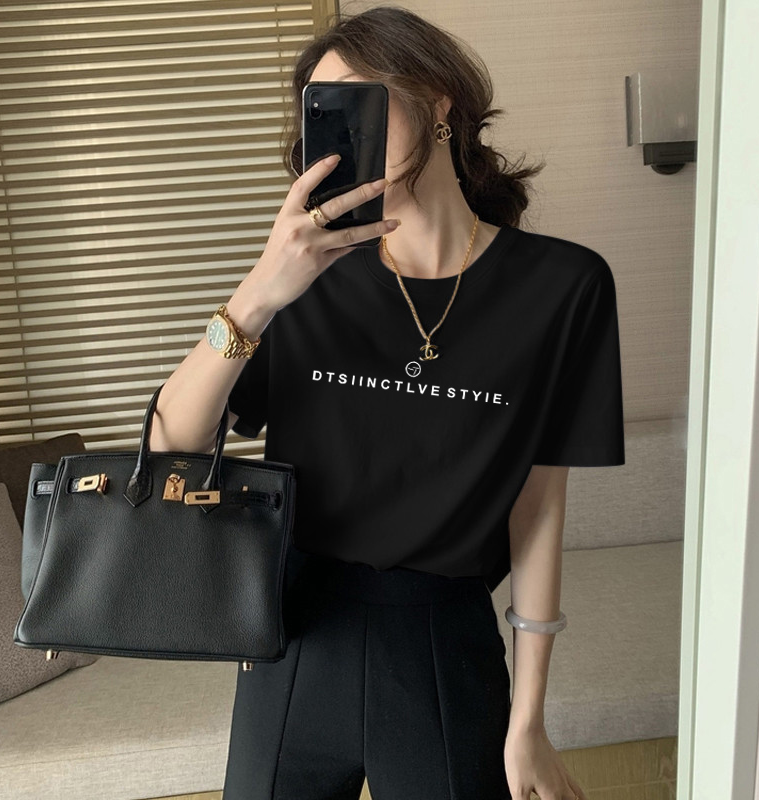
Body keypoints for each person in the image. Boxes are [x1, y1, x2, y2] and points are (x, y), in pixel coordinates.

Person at [149, 6, 625, 800]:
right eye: (321, 109)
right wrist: (259, 292)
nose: (340, 130)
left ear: (438, 100)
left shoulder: (564, 287)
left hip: (445, 645)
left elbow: (538, 505)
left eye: (358, 100)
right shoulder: (302, 280)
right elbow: (173, 445)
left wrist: (529, 719)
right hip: (292, 637)